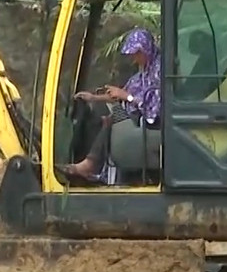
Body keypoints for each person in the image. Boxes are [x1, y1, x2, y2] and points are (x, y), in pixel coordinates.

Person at [61, 27, 162, 182]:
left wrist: (126, 96)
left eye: (137, 54)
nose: (134, 60)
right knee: (97, 122)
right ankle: (86, 167)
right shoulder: (143, 73)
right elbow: (121, 96)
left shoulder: (159, 70)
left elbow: (152, 104)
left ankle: (91, 164)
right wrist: (93, 98)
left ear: (146, 50)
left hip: (148, 121)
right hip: (132, 113)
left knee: (111, 120)